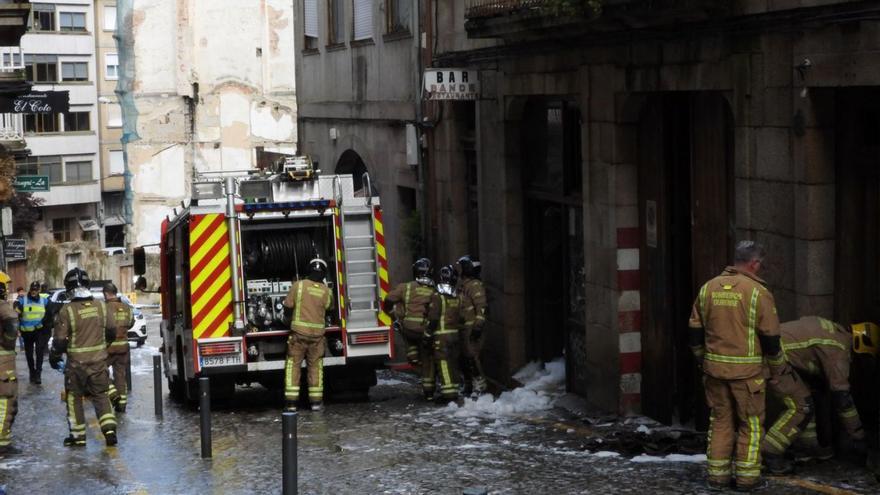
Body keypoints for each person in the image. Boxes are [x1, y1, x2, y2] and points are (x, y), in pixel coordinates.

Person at [688, 240, 784, 491]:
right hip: (748, 375)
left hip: (714, 372)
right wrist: (777, 371)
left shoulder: (707, 289)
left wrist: (703, 361)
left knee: (720, 421)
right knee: (750, 424)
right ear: (754, 264)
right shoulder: (757, 293)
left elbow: (694, 334)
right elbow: (771, 340)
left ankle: (717, 477)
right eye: (760, 265)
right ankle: (747, 479)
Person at [761, 316, 870, 473]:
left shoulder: (832, 329)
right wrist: (858, 436)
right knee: (802, 406)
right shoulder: (839, 348)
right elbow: (842, 399)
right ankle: (770, 452)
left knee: (806, 396)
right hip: (774, 358)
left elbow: (805, 350)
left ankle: (807, 448)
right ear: (861, 346)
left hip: (774, 352)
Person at [49, 268, 118, 447]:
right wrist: (104, 347)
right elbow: (112, 331)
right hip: (98, 362)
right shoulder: (102, 306)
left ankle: (78, 436)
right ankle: (109, 429)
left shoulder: (67, 310)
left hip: (76, 366)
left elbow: (59, 340)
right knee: (101, 395)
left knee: (74, 398)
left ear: (68, 287)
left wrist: (54, 356)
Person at [282, 258, 333, 412]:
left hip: (298, 335)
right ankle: (316, 403)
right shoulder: (326, 291)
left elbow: (287, 307)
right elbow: (330, 308)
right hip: (317, 337)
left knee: (293, 366)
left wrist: (286, 320)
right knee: (316, 368)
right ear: (323, 274)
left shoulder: (298, 286)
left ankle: (291, 404)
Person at [382, 258, 436, 399]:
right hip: (425, 331)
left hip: (408, 331)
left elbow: (389, 299)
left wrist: (391, 314)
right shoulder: (434, 291)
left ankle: (414, 359)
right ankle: (429, 392)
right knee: (428, 360)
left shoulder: (405, 287)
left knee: (413, 355)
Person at [425, 265, 465, 403]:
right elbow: (462, 317)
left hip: (441, 336)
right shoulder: (457, 297)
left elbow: (434, 318)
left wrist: (427, 333)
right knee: (453, 363)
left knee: (443, 364)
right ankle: (454, 390)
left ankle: (448, 394)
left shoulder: (438, 297)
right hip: (454, 335)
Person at [457, 255, 488, 396]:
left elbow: (482, 307)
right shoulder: (464, 286)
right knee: (464, 359)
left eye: (462, 267)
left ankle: (480, 387)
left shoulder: (475, 285)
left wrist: (477, 327)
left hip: (472, 329)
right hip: (463, 329)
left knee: (472, 357)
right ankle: (468, 385)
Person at [104, 282, 134, 413]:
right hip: (123, 348)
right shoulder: (127, 308)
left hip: (108, 348)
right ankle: (121, 406)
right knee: (120, 377)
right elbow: (131, 323)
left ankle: (113, 393)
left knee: (99, 372)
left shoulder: (104, 308)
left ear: (106, 294)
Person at [0, 271, 21, 456]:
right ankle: (2, 444)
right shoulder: (1, 305)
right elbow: (13, 322)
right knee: (6, 403)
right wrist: (8, 340)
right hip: (3, 365)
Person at [18, 282, 50, 385]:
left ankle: (38, 374)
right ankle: (32, 372)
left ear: (39, 290)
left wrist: (44, 322)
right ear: (30, 289)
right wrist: (17, 308)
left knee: (39, 352)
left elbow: (51, 310)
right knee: (29, 354)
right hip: (27, 332)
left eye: (36, 290)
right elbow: (16, 308)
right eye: (32, 289)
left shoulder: (43, 300)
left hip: (39, 331)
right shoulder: (23, 300)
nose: (34, 292)